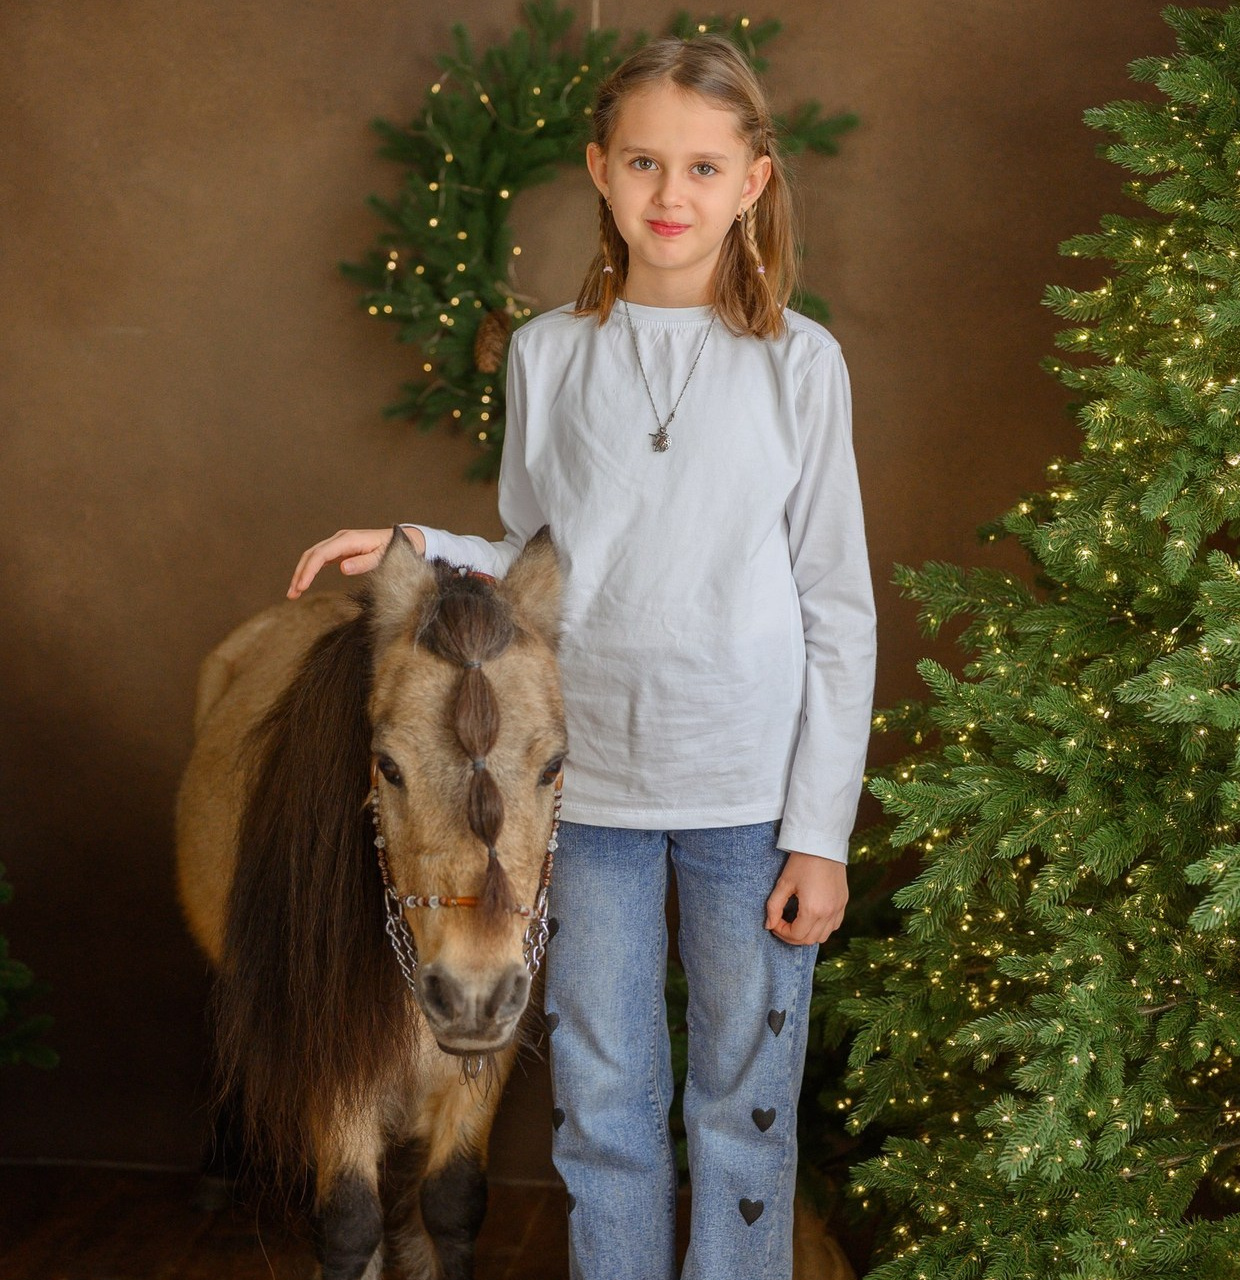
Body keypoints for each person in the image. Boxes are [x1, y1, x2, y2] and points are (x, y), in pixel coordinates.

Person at [289, 33, 875, 1280]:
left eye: (703, 167)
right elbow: (532, 554)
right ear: (601, 170)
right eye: (645, 162)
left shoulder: (801, 364)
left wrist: (819, 831)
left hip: (748, 795)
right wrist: (413, 542)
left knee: (743, 1104)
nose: (672, 193)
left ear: (752, 183)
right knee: (603, 1105)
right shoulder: (549, 353)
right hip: (582, 796)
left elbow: (836, 603)